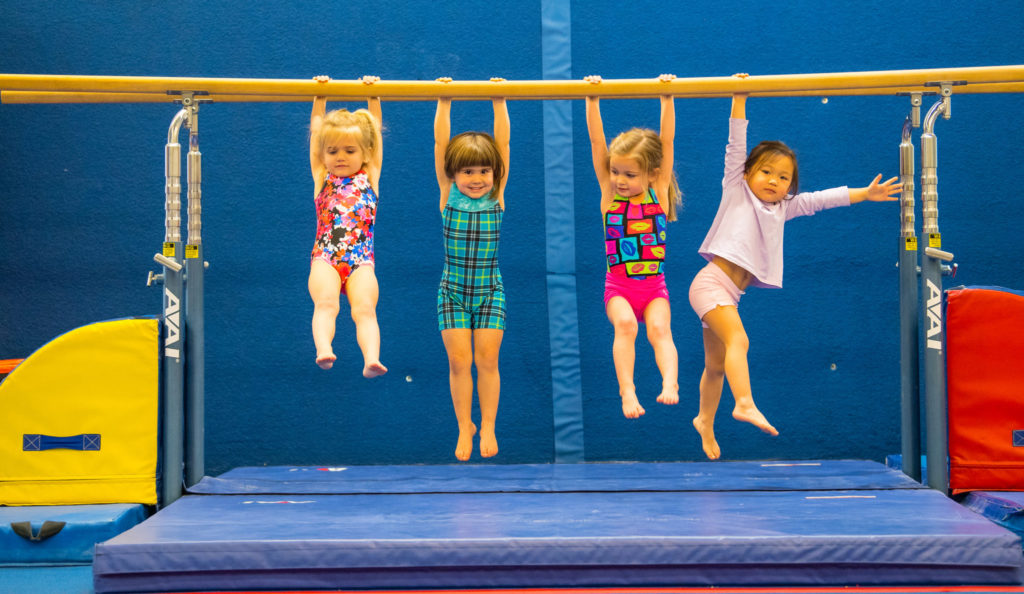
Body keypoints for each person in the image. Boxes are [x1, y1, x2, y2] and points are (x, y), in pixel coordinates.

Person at [689, 74, 902, 460]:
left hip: (731, 293)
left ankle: (705, 419)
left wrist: (865, 194)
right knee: (740, 342)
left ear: (790, 187)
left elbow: (822, 199)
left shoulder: (785, 208)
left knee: (715, 365)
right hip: (710, 283)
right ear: (748, 172)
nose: (773, 181)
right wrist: (740, 97)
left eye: (783, 177)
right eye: (766, 172)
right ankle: (745, 403)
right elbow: (735, 145)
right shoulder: (735, 190)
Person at [585, 74, 683, 420]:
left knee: (659, 330)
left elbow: (667, 142)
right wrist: (592, 100)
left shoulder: (658, 195)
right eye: (616, 172)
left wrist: (667, 98)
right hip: (620, 287)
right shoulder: (609, 198)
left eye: (629, 175)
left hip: (654, 287)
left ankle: (670, 383)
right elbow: (598, 143)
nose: (619, 180)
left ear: (652, 174)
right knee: (626, 326)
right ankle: (627, 391)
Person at [434, 79, 510, 460]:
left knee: (487, 361)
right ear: (452, 174)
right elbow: (439, 146)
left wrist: (500, 102)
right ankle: (465, 424)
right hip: (452, 292)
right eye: (467, 172)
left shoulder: (497, 198)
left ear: (495, 174)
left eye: (484, 171)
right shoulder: (448, 197)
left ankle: (489, 425)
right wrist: (443, 102)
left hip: (489, 291)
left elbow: (504, 146)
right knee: (459, 362)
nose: (477, 179)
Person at [308, 75, 387, 377]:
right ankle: (324, 349)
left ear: (365, 153)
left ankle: (372, 359)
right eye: (333, 151)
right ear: (323, 155)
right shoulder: (321, 178)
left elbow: (375, 133)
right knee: (326, 304)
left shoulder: (370, 176)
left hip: (361, 262)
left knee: (364, 310)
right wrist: (319, 95)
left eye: (350, 151)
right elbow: (317, 133)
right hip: (325, 259)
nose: (340, 156)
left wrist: (374, 95)